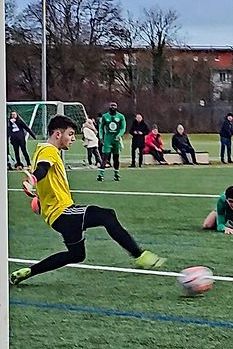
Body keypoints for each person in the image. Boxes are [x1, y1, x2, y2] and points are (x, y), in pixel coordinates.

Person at [9, 115, 166, 286]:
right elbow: (42, 170)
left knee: (77, 254)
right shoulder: (49, 150)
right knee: (107, 216)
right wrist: (31, 180)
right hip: (63, 212)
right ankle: (140, 255)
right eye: (70, 134)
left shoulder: (41, 151)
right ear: (57, 134)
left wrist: (40, 198)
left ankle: (30, 271)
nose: (73, 139)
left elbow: (46, 178)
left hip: (56, 217)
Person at [98, 102, 126, 181]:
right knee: (105, 156)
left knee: (116, 157)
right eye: (111, 106)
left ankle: (116, 174)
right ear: (109, 107)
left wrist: (119, 135)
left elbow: (123, 128)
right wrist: (101, 137)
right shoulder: (105, 116)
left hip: (116, 139)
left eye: (114, 106)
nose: (113, 107)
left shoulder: (120, 116)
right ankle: (101, 174)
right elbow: (101, 127)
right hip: (108, 138)